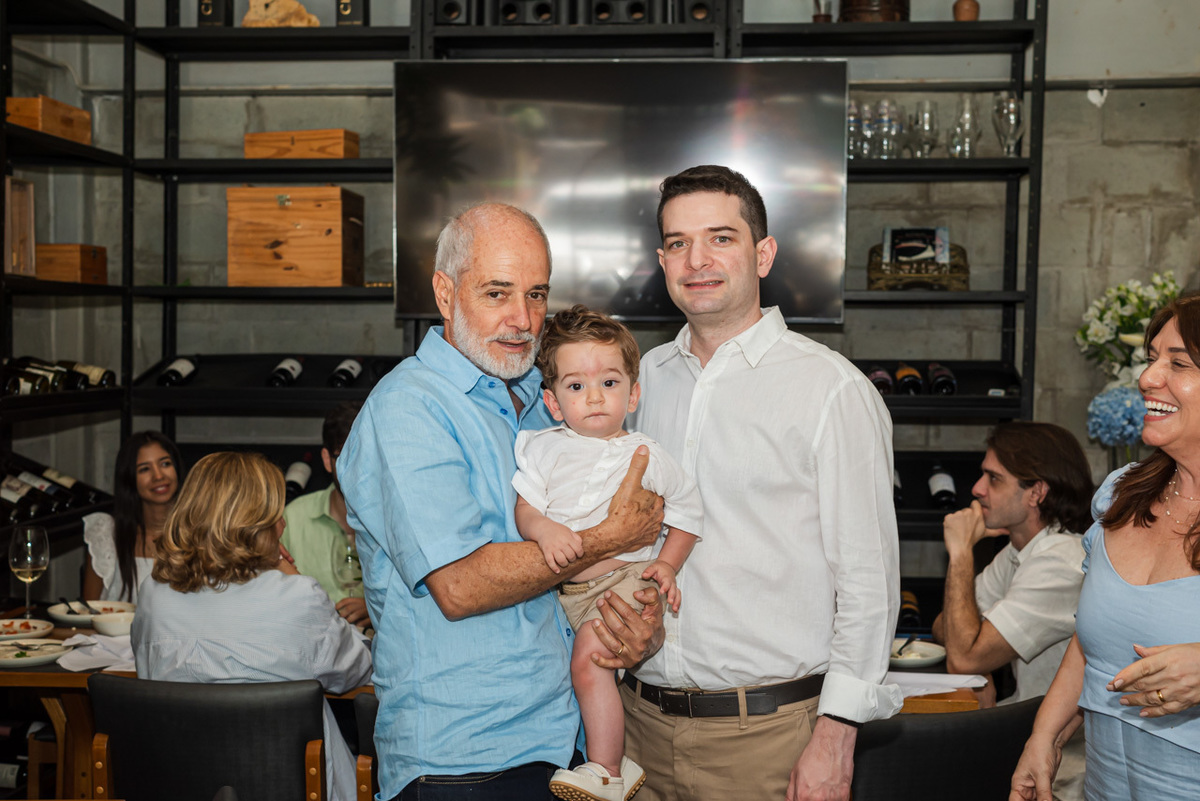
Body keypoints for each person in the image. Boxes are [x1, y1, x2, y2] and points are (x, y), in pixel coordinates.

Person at [337, 202, 666, 801]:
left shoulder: (531, 403)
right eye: (497, 293)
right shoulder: (409, 409)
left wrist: (630, 629)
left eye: (536, 294)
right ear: (444, 292)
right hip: (465, 761)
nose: (523, 318)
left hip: (563, 744)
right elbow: (460, 586)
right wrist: (607, 540)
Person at [622, 165, 902, 801]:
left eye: (721, 238)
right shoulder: (640, 382)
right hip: (635, 727)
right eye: (677, 242)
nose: (697, 259)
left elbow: (869, 581)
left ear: (764, 253)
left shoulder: (831, 391)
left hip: (770, 739)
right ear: (661, 259)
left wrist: (837, 734)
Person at [1010, 295, 1200, 801]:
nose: (1148, 378)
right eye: (1151, 358)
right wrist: (1045, 736)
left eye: (1178, 363)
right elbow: (1091, 641)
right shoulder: (1121, 493)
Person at [513, 305, 703, 801]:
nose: (594, 397)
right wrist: (545, 530)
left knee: (590, 662)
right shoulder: (542, 447)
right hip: (567, 593)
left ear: (633, 394)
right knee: (581, 670)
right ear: (553, 403)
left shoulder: (647, 454)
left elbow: (690, 512)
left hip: (623, 582)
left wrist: (666, 563)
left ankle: (606, 771)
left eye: (610, 383)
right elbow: (525, 509)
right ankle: (613, 755)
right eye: (576, 387)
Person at [132, 451, 372, 801]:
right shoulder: (295, 596)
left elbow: (146, 673)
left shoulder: (153, 594)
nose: (284, 525)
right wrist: (293, 576)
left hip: (182, 786)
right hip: (301, 789)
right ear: (254, 525)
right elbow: (357, 669)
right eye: (275, 515)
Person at [931, 422, 1093, 801]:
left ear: (1036, 492)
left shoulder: (1060, 561)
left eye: (994, 479)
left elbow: (963, 655)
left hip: (1063, 768)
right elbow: (946, 628)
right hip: (1021, 739)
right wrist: (981, 667)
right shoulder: (1021, 551)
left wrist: (960, 553)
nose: (977, 489)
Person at [281, 401, 370, 628]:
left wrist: (376, 610)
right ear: (326, 460)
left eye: (364, 455)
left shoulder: (400, 517)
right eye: (344, 457)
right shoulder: (292, 518)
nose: (356, 470)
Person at [82, 431, 184, 602]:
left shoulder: (199, 534)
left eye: (165, 464)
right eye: (144, 469)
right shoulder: (108, 535)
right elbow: (87, 612)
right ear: (129, 479)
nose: (158, 476)